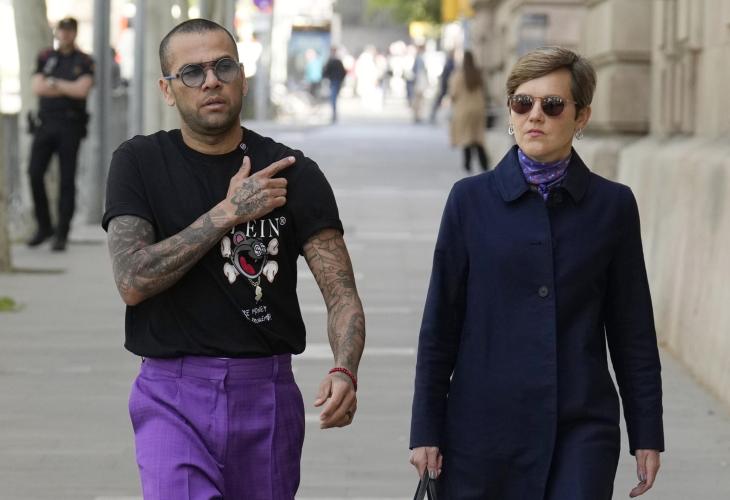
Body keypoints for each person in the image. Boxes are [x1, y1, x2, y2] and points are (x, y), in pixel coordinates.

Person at [102, 19, 365, 499]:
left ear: (242, 77)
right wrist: (228, 213)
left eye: (223, 66)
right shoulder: (139, 162)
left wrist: (344, 368)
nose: (210, 81)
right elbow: (132, 280)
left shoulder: (293, 172)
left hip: (266, 395)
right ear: (167, 89)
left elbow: (341, 293)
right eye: (192, 72)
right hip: (171, 396)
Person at [409, 46, 663, 499]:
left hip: (581, 427)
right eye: (522, 103)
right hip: (482, 432)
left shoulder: (612, 206)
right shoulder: (469, 201)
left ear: (581, 117)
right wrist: (426, 428)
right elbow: (440, 325)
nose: (535, 116)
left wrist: (647, 432)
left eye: (553, 105)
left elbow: (633, 330)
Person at [27, 17, 94, 251]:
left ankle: (62, 232)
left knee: (67, 179)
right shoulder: (46, 57)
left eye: (69, 31)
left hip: (70, 126)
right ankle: (44, 226)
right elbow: (37, 87)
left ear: (75, 33)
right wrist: (67, 87)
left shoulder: (84, 60)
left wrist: (53, 83)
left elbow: (82, 90)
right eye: (61, 31)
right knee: (34, 173)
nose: (65, 35)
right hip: (45, 124)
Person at [448, 50, 488, 172]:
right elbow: (485, 92)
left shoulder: (458, 75)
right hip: (478, 109)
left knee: (466, 137)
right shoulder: (478, 74)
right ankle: (484, 164)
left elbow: (453, 94)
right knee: (478, 137)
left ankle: (467, 164)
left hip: (463, 109)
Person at [429, 49, 455, 124]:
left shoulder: (449, 62)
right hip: (446, 84)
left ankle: (434, 113)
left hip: (445, 84)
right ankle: (433, 113)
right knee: (441, 98)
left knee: (441, 98)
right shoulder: (450, 63)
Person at [322, 46, 347, 123]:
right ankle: (333, 113)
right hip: (334, 81)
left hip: (335, 81)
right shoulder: (334, 61)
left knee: (333, 97)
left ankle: (334, 113)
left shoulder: (333, 61)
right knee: (333, 97)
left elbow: (325, 71)